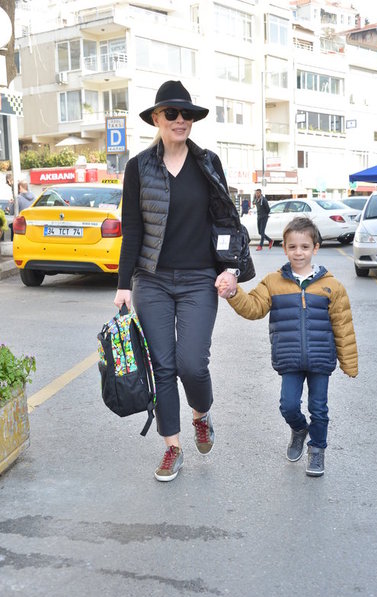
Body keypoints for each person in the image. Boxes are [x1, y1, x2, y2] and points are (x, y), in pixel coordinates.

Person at [113, 80, 246, 482]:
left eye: (186, 114)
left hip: (198, 279)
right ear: (157, 118)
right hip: (151, 280)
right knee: (163, 366)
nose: (180, 120)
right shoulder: (139, 167)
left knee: (192, 363)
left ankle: (201, 414)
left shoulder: (208, 162)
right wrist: (123, 285)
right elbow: (132, 229)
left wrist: (230, 268)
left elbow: (226, 220)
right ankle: (172, 447)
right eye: (171, 113)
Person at [218, 216, 358, 477]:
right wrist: (234, 294)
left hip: (320, 359)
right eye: (292, 247)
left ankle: (317, 450)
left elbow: (343, 326)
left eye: (305, 247)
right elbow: (254, 308)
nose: (299, 252)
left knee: (319, 409)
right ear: (284, 248)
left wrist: (349, 363)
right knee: (288, 405)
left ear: (315, 248)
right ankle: (299, 429)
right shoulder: (273, 282)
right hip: (289, 358)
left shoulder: (332, 286)